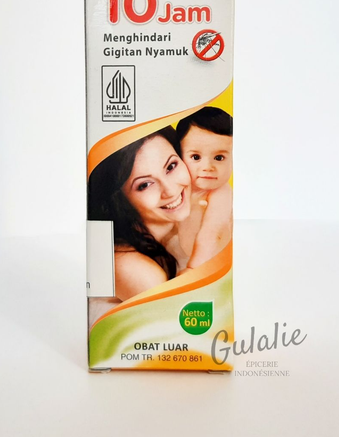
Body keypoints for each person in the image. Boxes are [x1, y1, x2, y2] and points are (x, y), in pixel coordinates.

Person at [88, 127, 192, 303]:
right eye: (145, 185)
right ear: (120, 201)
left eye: (171, 166)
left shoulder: (184, 227)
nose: (170, 190)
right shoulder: (133, 269)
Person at [175, 107, 233, 270]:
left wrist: (193, 268)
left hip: (207, 261)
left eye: (219, 158)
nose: (207, 167)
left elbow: (213, 233)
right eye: (196, 157)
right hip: (181, 256)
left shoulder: (221, 193)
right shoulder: (177, 186)